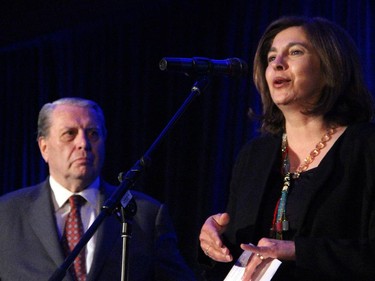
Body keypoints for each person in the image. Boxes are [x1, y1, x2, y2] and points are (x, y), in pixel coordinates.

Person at [199, 16, 375, 281]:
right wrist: (215, 241)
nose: (278, 63)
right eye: (271, 58)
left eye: (295, 52)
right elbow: (243, 248)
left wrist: (297, 251)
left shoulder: (366, 147)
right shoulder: (254, 156)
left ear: (330, 66)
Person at [0, 97, 196, 281]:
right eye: (69, 134)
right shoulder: (6, 214)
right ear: (44, 147)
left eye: (93, 133)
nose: (83, 144)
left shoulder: (146, 215)